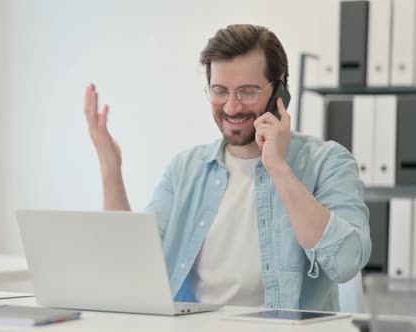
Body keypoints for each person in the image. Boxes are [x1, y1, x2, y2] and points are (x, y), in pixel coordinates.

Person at [83, 24, 371, 311]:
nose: (232, 108)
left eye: (247, 92)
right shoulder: (185, 169)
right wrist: (110, 167)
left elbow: (345, 263)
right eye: (220, 91)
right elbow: (132, 267)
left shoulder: (328, 162)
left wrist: (279, 168)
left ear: (279, 90)